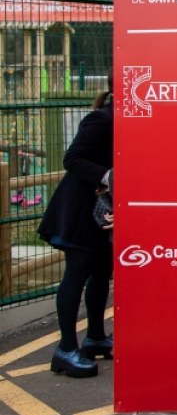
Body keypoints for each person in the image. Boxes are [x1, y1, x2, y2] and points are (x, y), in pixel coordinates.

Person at [39, 78, 115, 378]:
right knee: (77, 273)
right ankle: (65, 348)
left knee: (101, 272)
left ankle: (95, 335)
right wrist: (108, 175)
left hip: (105, 211)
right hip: (81, 209)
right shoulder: (101, 118)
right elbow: (72, 158)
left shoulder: (126, 118)